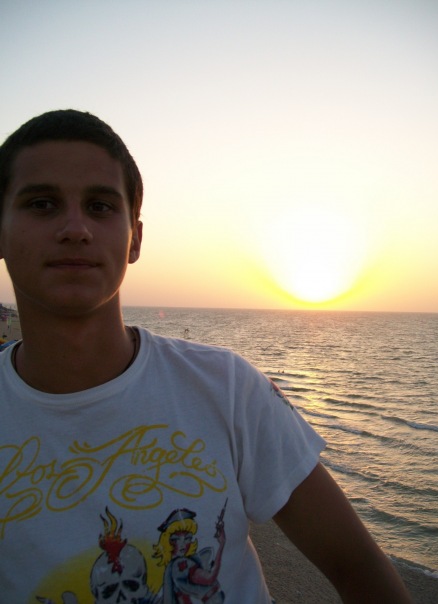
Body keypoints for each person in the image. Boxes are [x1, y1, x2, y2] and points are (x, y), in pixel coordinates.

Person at [0, 109, 412, 603]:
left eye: (101, 206)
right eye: (42, 204)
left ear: (135, 239)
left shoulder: (227, 387)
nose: (75, 228)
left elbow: (357, 565)